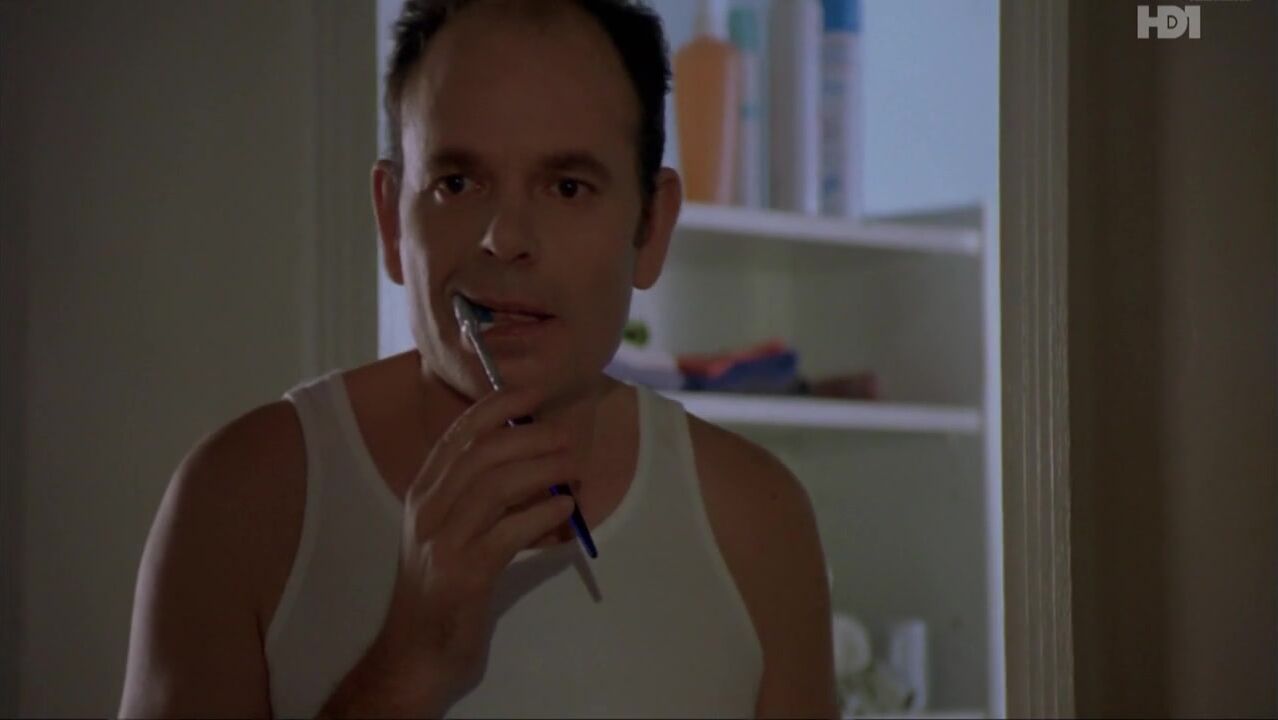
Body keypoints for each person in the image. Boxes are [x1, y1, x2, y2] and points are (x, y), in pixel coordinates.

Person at [118, 0, 837, 717]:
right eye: (458, 183)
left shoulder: (756, 522)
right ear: (390, 220)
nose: (505, 238)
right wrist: (408, 665)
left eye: (567, 187)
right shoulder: (240, 502)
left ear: (651, 227)